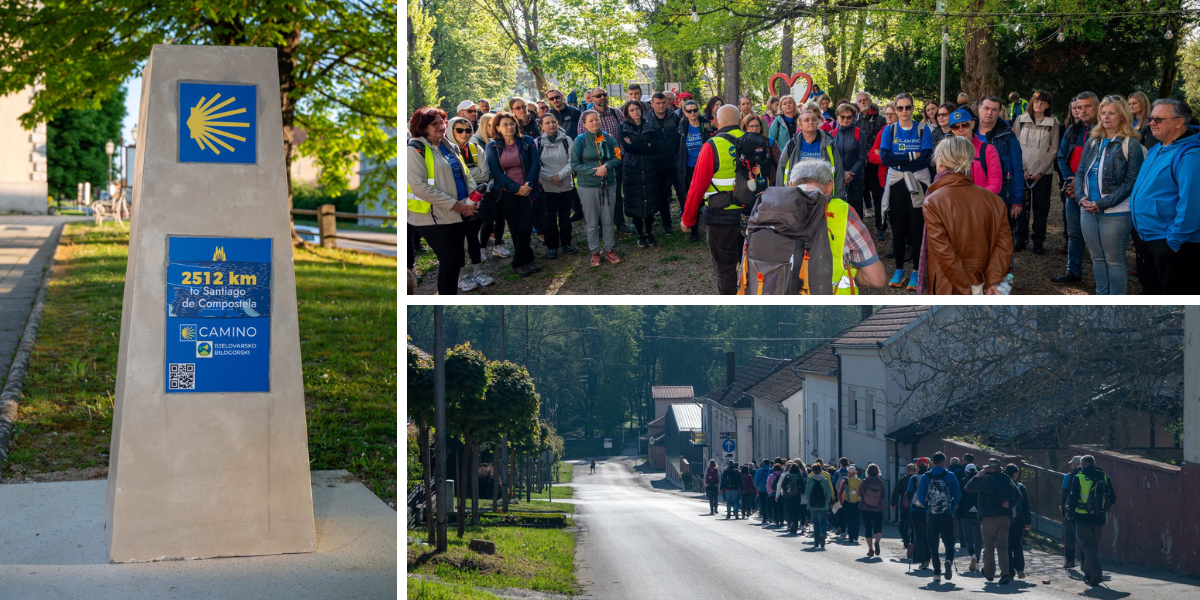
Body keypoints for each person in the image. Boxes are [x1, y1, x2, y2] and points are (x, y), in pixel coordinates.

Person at [771, 159, 887, 292]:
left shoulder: (767, 209)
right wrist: (848, 271)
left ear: (790, 185)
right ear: (830, 186)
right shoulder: (843, 213)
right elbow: (876, 278)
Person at [920, 134, 1013, 294]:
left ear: (940, 161)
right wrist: (992, 280)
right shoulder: (994, 200)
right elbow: (1004, 246)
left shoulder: (934, 201)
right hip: (985, 281)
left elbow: (945, 254)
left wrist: (967, 290)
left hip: (950, 285)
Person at [1130, 98, 1200, 294]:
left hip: (1169, 243)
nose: (1151, 123)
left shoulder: (1191, 156)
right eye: (1151, 118)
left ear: (1178, 122)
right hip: (1147, 238)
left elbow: (1192, 205)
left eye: (1158, 119)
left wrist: (1174, 241)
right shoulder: (1157, 148)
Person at [1075, 95, 1144, 295]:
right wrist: (1081, 199)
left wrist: (1102, 203)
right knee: (1097, 259)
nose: (1106, 117)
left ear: (1122, 116)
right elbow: (1080, 173)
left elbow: (1132, 182)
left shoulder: (1130, 144)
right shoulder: (1093, 140)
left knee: (1114, 261)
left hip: (1116, 212)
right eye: (1103, 113)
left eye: (1112, 113)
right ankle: (1101, 299)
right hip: (1087, 210)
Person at [406, 107, 478, 295]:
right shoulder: (414, 149)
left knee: (455, 259)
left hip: (458, 213)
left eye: (443, 122)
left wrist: (472, 200)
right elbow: (420, 187)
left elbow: (466, 174)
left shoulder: (449, 146)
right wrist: (457, 205)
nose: (441, 126)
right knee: (450, 260)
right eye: (435, 123)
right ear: (422, 127)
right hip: (432, 218)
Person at [680, 105, 749, 294]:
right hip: (752, 215)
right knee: (751, 267)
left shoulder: (711, 145)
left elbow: (697, 187)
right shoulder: (755, 142)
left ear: (717, 122)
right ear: (741, 119)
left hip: (720, 217)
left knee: (725, 269)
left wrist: (688, 219)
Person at [879, 93, 933, 291]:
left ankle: (917, 271)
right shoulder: (889, 130)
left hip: (919, 182)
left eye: (907, 107)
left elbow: (926, 158)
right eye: (899, 108)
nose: (904, 112)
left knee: (917, 227)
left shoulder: (922, 129)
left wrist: (899, 158)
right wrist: (911, 156)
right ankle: (899, 269)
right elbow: (885, 158)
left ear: (913, 108)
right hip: (896, 183)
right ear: (895, 109)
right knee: (898, 228)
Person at [485, 111, 544, 277]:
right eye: (505, 125)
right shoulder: (492, 147)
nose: (509, 127)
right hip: (507, 193)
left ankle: (518, 260)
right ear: (497, 128)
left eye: (512, 124)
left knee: (525, 226)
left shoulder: (527, 141)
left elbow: (535, 165)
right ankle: (527, 259)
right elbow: (496, 173)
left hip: (529, 190)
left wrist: (528, 185)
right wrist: (516, 188)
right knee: (515, 228)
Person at [1052, 91, 1100, 285]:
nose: (1082, 111)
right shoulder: (1072, 129)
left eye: (1086, 107)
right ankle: (1073, 272)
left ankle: (1102, 280)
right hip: (1072, 190)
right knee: (1074, 233)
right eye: (1079, 107)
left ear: (1097, 107)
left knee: (1098, 238)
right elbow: (1061, 157)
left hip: (1095, 193)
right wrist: (1070, 179)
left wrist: (1079, 184)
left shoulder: (1105, 131)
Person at [447, 116, 496, 291]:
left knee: (472, 238)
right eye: (459, 130)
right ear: (451, 130)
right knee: (457, 241)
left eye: (467, 130)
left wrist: (467, 176)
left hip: (474, 201)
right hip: (454, 203)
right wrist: (469, 175)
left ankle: (478, 271)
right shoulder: (445, 150)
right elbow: (450, 178)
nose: (464, 133)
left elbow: (485, 174)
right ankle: (462, 276)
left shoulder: (475, 148)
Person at [571, 110, 623, 268]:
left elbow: (618, 157)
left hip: (609, 184)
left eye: (597, 120)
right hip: (588, 186)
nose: (595, 123)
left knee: (608, 220)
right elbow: (574, 164)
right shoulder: (579, 141)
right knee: (592, 221)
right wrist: (595, 171)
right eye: (591, 121)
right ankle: (594, 252)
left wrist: (606, 166)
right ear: (584, 124)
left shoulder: (608, 138)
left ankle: (609, 249)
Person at [1013, 90, 1061, 254]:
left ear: (1047, 105)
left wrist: (1040, 172)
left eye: (1042, 102)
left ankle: (1038, 241)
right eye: (1035, 101)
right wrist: (1023, 169)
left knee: (1041, 208)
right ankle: (1020, 238)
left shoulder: (1052, 122)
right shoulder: (1021, 120)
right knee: (1020, 207)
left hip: (1043, 174)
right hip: (1023, 172)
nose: (1038, 104)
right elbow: (1015, 146)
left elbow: (1053, 149)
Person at [578, 88, 631, 234]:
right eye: (598, 96)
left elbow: (624, 134)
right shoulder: (586, 116)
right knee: (598, 195)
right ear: (592, 99)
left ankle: (620, 223)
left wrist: (619, 155)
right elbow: (582, 140)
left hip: (616, 161)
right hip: (596, 165)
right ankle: (601, 226)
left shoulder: (616, 113)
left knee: (616, 194)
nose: (602, 97)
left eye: (604, 95)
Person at [976, 96, 1026, 251]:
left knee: (1002, 236)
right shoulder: (968, 132)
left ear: (999, 112)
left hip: (1002, 192)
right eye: (986, 108)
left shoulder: (1007, 136)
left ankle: (1005, 271)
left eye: (994, 109)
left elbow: (1017, 169)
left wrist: (1017, 201)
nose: (989, 113)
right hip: (974, 193)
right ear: (979, 108)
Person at [964, 458, 1020, 584]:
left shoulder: (985, 481)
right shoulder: (1007, 479)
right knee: (1002, 547)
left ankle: (989, 572)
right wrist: (1009, 505)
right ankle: (1005, 573)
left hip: (988, 518)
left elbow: (968, 488)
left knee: (989, 546)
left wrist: (978, 475)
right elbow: (1019, 496)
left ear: (989, 468)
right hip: (1005, 518)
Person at [1066, 455, 1117, 587]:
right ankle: (1088, 575)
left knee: (1087, 547)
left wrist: (1070, 513)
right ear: (1094, 463)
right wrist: (1104, 508)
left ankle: (1096, 575)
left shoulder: (1080, 477)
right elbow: (1113, 497)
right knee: (1093, 547)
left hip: (1082, 517)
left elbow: (1073, 498)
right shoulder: (1104, 476)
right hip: (1099, 518)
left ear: (1082, 465)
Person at [620, 100, 663, 248]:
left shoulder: (649, 125)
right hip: (632, 167)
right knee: (636, 199)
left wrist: (637, 145)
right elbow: (627, 147)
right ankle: (640, 234)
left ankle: (650, 233)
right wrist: (644, 145)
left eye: (637, 109)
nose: (635, 112)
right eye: (632, 110)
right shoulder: (624, 127)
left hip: (649, 165)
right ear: (627, 113)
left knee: (649, 197)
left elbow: (654, 146)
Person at [536, 112, 579, 261]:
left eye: (553, 122)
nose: (551, 125)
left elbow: (572, 160)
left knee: (565, 218)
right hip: (547, 188)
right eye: (547, 123)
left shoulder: (567, 140)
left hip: (565, 185)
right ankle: (552, 247)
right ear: (541, 126)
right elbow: (536, 165)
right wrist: (551, 178)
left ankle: (567, 243)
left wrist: (559, 176)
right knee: (549, 220)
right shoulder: (537, 143)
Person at [778, 110, 846, 201]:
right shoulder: (792, 144)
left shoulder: (829, 143)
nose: (811, 122)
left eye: (814, 119)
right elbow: (781, 170)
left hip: (823, 195)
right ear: (800, 125)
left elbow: (838, 170)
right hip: (797, 196)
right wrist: (780, 196)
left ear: (817, 123)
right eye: (806, 120)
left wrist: (838, 197)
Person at [917, 452, 962, 583]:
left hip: (931, 514)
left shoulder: (926, 476)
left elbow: (920, 496)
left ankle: (937, 572)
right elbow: (958, 496)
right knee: (949, 541)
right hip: (946, 514)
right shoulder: (950, 476)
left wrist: (928, 507)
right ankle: (948, 560)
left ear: (932, 463)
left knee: (933, 544)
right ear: (944, 462)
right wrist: (949, 506)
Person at [471, 113, 509, 259]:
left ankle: (498, 245)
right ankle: (481, 248)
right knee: (486, 218)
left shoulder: (497, 140)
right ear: (484, 125)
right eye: (491, 125)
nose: (495, 128)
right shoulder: (475, 142)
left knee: (500, 216)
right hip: (483, 187)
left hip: (498, 184)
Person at [647, 92, 684, 231]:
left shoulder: (674, 118)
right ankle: (666, 224)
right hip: (657, 163)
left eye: (663, 103)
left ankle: (688, 222)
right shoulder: (647, 120)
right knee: (662, 195)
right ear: (652, 104)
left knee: (682, 192)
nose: (661, 106)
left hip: (674, 162)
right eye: (658, 103)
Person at [676, 99, 710, 243]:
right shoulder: (682, 127)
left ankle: (710, 226)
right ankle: (694, 230)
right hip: (689, 167)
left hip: (705, 166)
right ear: (684, 112)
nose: (692, 113)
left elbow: (714, 134)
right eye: (689, 111)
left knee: (708, 197)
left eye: (695, 110)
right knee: (692, 198)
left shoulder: (706, 123)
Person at [947, 107, 1002, 195]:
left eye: (965, 124)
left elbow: (995, 185)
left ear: (972, 124)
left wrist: (975, 199)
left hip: (982, 203)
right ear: (952, 130)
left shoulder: (988, 150)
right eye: (955, 126)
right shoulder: (947, 151)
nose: (961, 129)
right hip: (957, 203)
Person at [856, 92, 889, 237]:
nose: (863, 102)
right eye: (860, 101)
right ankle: (858, 230)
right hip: (859, 165)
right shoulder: (854, 120)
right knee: (858, 198)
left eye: (865, 100)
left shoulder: (881, 120)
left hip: (875, 166)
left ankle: (881, 227)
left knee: (878, 197)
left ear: (870, 101)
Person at [866, 102, 897, 241]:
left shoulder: (905, 130)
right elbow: (872, 156)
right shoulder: (883, 130)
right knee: (880, 202)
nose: (889, 116)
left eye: (892, 114)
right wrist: (893, 157)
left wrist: (884, 155)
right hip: (883, 176)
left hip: (902, 177)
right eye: (887, 114)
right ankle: (881, 227)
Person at [831, 103, 868, 217]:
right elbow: (830, 157)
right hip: (837, 178)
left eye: (849, 117)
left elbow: (862, 157)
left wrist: (850, 173)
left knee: (855, 210)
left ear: (853, 118)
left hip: (855, 178)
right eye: (842, 117)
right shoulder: (832, 135)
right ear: (837, 117)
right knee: (838, 209)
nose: (846, 120)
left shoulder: (859, 133)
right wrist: (842, 174)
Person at [1004, 464, 1031, 580]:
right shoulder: (1021, 487)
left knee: (1007, 545)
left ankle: (1010, 571)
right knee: (1017, 544)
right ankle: (1020, 569)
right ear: (1015, 473)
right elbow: (1026, 506)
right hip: (1018, 519)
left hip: (1005, 519)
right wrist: (1028, 521)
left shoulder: (1003, 485)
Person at [955, 463, 983, 571]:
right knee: (978, 537)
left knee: (968, 538)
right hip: (979, 514)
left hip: (965, 514)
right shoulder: (980, 482)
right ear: (976, 472)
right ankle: (978, 560)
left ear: (966, 472)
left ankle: (972, 555)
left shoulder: (961, 482)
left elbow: (957, 497)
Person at [1059, 456, 1084, 569]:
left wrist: (1062, 506)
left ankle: (1070, 561)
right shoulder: (1087, 477)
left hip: (1072, 510)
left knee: (1069, 535)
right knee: (1084, 536)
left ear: (1074, 465)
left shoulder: (1068, 477)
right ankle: (1085, 561)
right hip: (1086, 511)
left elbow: (1064, 493)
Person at [906, 457, 932, 568]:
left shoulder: (914, 478)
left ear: (917, 466)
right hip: (929, 510)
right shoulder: (931, 477)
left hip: (915, 509)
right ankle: (929, 558)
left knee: (919, 534)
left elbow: (909, 493)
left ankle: (922, 560)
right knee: (929, 534)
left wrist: (910, 504)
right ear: (928, 465)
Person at [857, 463, 885, 558]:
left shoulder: (864, 481)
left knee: (868, 528)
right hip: (878, 508)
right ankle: (877, 541)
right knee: (878, 528)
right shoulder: (880, 482)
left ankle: (870, 549)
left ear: (867, 471)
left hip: (865, 508)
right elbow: (883, 495)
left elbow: (859, 494)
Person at [805, 463, 835, 549]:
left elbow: (807, 494)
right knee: (823, 521)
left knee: (815, 522)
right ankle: (823, 534)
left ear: (812, 471)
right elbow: (829, 493)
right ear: (821, 471)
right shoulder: (825, 481)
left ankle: (816, 541)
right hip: (823, 504)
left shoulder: (810, 481)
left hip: (812, 504)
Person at [891, 462, 917, 559]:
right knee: (915, 527)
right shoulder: (918, 480)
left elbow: (896, 493)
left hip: (905, 508)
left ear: (906, 470)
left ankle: (907, 543)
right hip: (916, 508)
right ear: (915, 471)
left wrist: (893, 503)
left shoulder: (902, 480)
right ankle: (914, 543)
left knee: (903, 527)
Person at [837, 465, 862, 544]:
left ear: (849, 473)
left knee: (849, 520)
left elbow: (841, 492)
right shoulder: (859, 480)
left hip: (847, 502)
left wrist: (841, 501)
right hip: (857, 502)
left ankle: (851, 536)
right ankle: (856, 536)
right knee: (856, 519)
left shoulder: (846, 480)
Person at [781, 463, 806, 534]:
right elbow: (803, 487)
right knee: (796, 511)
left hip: (788, 497)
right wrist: (800, 491)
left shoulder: (787, 476)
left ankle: (790, 523)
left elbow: (783, 485)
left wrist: (786, 491)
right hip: (797, 496)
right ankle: (795, 525)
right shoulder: (799, 477)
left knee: (789, 511)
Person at [755, 459, 772, 524]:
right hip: (770, 490)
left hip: (761, 489)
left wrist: (757, 487)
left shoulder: (759, 471)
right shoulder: (770, 470)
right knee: (769, 505)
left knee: (763, 504)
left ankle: (764, 518)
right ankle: (770, 518)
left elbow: (755, 481)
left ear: (763, 463)